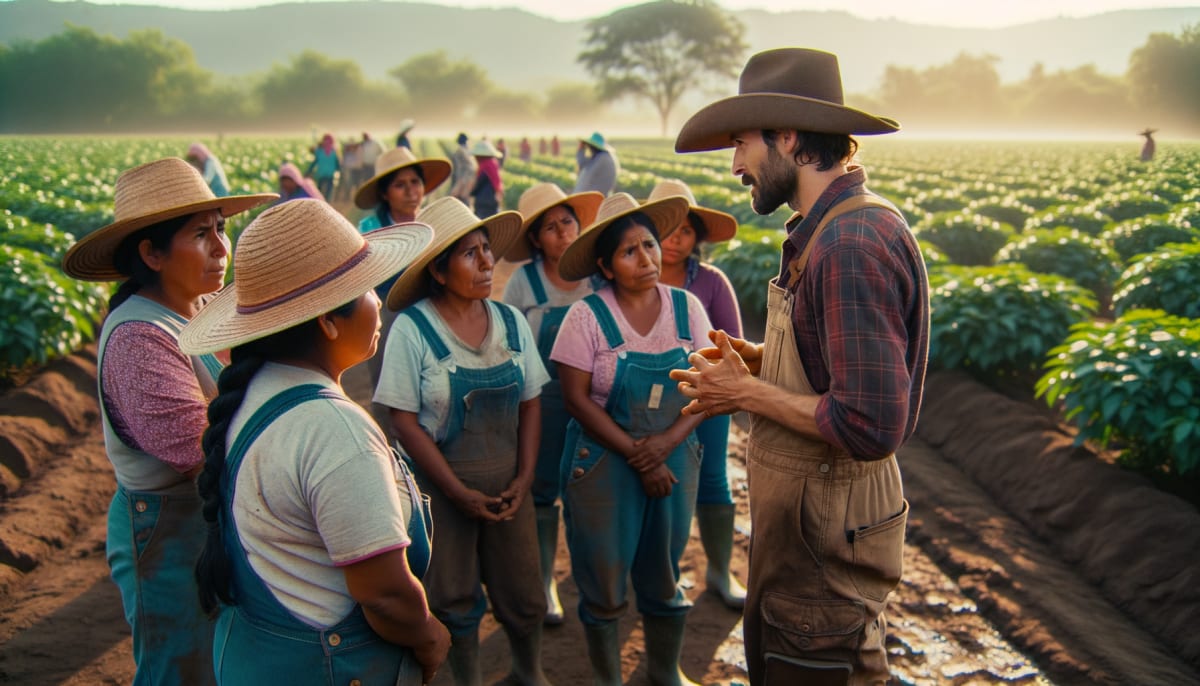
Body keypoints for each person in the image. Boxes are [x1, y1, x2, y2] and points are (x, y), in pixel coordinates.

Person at [671, 47, 930, 685]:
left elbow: (869, 423)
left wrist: (748, 394)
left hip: (827, 530)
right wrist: (765, 361)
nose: (734, 164)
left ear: (788, 137)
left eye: (741, 143)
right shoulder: (823, 229)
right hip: (816, 524)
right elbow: (835, 362)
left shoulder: (848, 243)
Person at [177, 199, 451, 685]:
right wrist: (429, 637)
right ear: (327, 321)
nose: (379, 302)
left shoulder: (252, 392)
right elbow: (385, 595)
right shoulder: (334, 429)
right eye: (367, 290)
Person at [61, 157, 276, 685]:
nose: (222, 248)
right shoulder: (139, 338)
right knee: (180, 668)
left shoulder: (200, 306)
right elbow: (202, 456)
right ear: (151, 253)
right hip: (170, 534)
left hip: (210, 522)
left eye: (221, 229)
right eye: (201, 235)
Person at [375, 197, 552, 686]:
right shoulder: (413, 330)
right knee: (452, 596)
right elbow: (403, 420)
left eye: (487, 251)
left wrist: (525, 476)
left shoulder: (511, 323)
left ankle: (528, 672)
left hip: (509, 489)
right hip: (441, 495)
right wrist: (455, 490)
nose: (486, 262)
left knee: (523, 591)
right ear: (437, 269)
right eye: (469, 254)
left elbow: (532, 402)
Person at [550, 192, 710, 686]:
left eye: (649, 245)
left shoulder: (687, 309)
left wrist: (667, 444)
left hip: (674, 453)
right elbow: (575, 400)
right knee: (603, 574)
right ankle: (607, 679)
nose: (646, 259)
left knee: (665, 568)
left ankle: (666, 672)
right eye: (629, 252)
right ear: (606, 265)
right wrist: (639, 453)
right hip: (602, 460)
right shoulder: (586, 317)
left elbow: (707, 387)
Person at [499, 182, 604, 626]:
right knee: (543, 492)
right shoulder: (523, 283)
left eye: (567, 223)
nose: (562, 233)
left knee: (594, 488)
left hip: (598, 399)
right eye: (550, 227)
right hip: (544, 401)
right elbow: (508, 346)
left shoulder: (599, 275)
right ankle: (544, 582)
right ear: (536, 239)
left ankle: (596, 578)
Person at [646, 178, 746, 611]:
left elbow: (735, 350)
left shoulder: (711, 282)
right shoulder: (631, 274)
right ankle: (655, 569)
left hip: (707, 397)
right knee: (651, 476)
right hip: (644, 395)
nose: (675, 240)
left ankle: (720, 571)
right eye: (667, 229)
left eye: (685, 230)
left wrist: (712, 385)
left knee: (711, 479)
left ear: (697, 238)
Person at [353, 145, 452, 434]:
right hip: (389, 317)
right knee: (389, 388)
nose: (411, 191)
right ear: (385, 194)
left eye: (415, 182)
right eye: (400, 185)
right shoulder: (371, 230)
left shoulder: (436, 224)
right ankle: (393, 449)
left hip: (434, 313)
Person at [573, 132, 620, 196]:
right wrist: (581, 150)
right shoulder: (601, 156)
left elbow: (582, 168)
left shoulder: (602, 158)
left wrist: (580, 150)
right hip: (598, 196)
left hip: (594, 198)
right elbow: (583, 165)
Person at [469, 139, 504, 219]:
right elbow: (497, 182)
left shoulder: (485, 167)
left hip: (484, 202)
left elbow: (479, 184)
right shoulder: (493, 164)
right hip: (491, 200)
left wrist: (472, 192)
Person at [306, 133, 341, 200]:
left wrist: (339, 171)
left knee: (328, 192)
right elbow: (315, 162)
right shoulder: (319, 151)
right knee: (320, 191)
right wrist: (309, 171)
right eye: (326, 140)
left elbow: (337, 163)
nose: (327, 142)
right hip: (321, 174)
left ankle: (326, 204)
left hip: (330, 174)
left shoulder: (334, 151)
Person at [449, 133, 478, 204]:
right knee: (464, 198)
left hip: (462, 178)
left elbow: (460, 167)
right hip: (466, 177)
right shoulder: (465, 150)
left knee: (459, 198)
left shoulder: (460, 151)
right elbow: (471, 166)